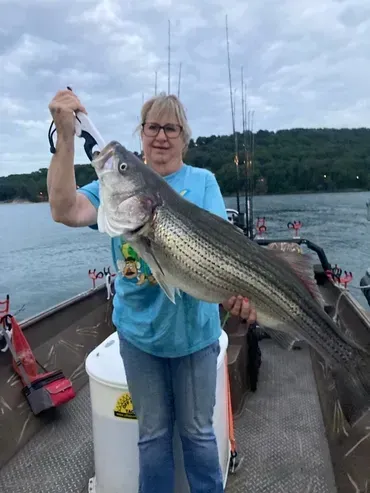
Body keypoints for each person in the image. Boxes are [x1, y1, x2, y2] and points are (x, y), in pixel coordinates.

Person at [47, 89, 257, 493]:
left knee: (198, 436)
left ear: (184, 136)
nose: (161, 136)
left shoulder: (202, 182)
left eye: (171, 128)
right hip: (139, 339)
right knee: (153, 437)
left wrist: (238, 292)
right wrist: (67, 137)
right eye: (152, 127)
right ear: (141, 133)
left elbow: (222, 253)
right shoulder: (116, 187)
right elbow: (64, 209)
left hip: (194, 338)